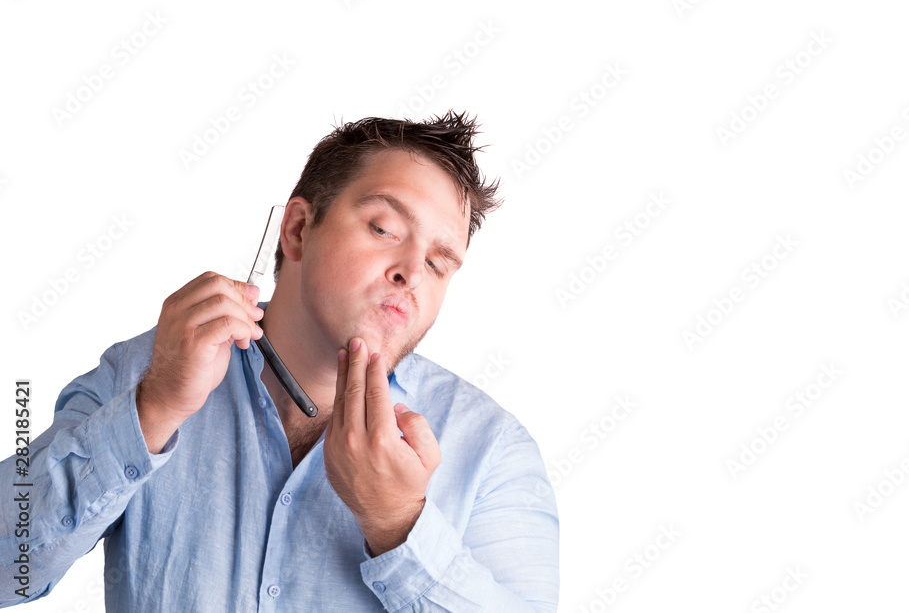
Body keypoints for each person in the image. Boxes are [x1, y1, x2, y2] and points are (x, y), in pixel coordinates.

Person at [0, 111, 560, 611]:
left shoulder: (493, 452)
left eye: (439, 263)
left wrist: (398, 523)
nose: (412, 272)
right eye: (384, 228)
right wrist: (153, 410)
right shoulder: (146, 372)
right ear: (297, 230)